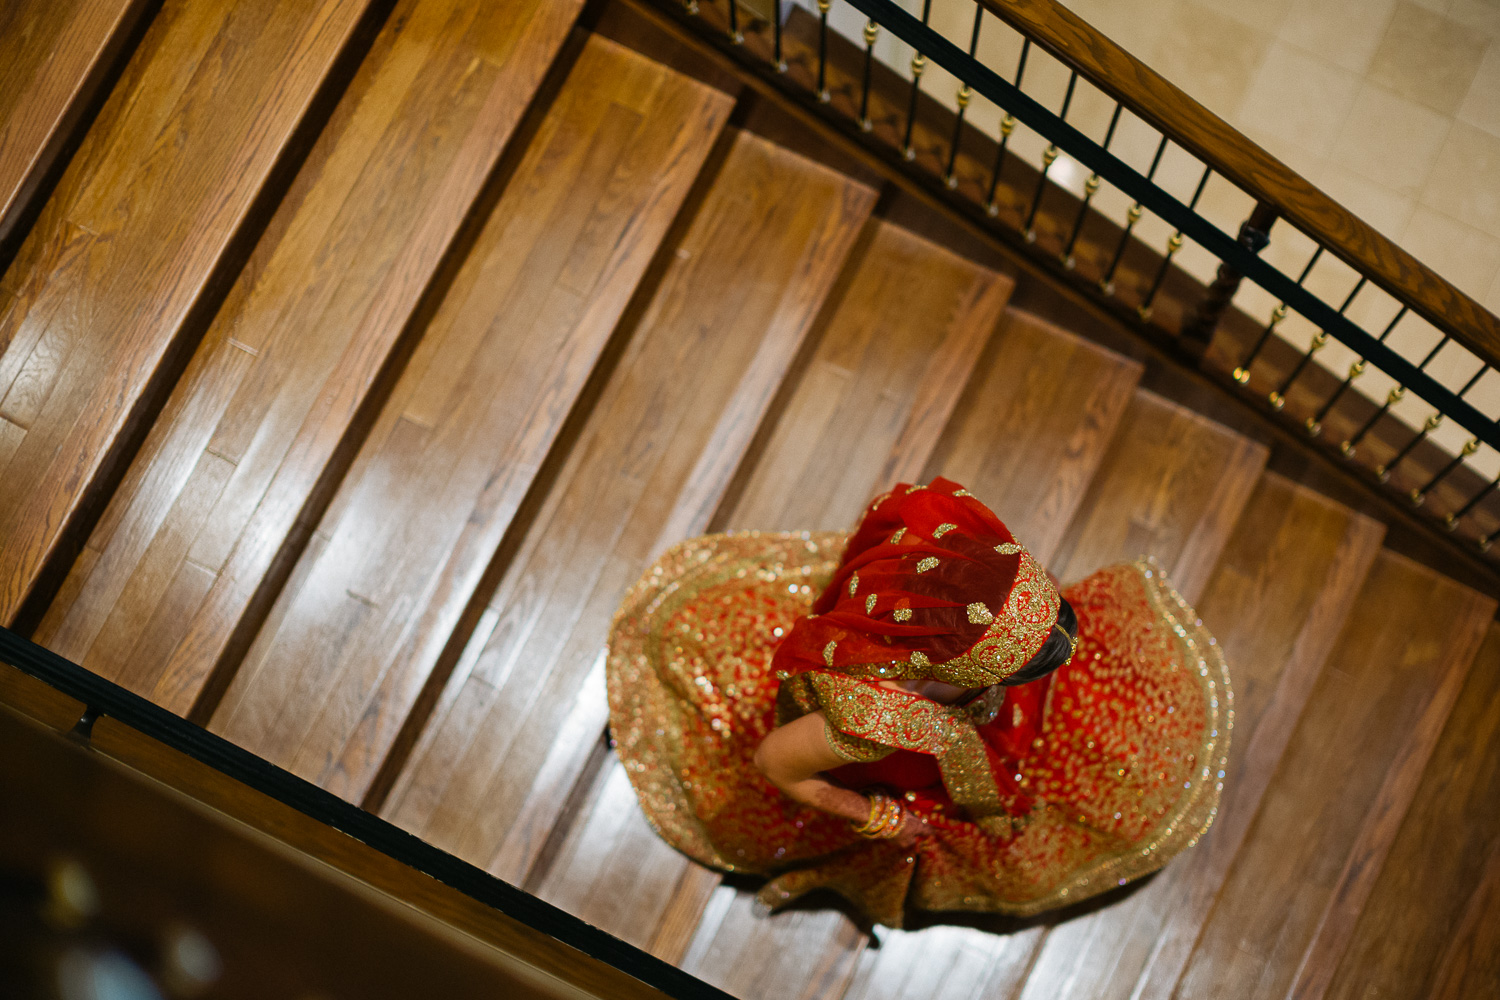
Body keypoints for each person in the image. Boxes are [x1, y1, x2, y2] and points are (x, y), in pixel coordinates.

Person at [606, 478, 1229, 927]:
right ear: (959, 667)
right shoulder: (869, 717)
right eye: (1019, 666)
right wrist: (876, 817)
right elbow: (773, 763)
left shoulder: (940, 588)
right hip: (892, 762)